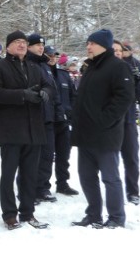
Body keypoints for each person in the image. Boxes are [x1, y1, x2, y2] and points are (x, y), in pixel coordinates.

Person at [0, 30, 50, 230]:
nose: (21, 45)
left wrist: (45, 93)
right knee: (8, 174)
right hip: (11, 130)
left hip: (34, 129)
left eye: (24, 42)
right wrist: (22, 95)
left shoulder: (35, 67)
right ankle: (10, 215)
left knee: (30, 174)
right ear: (8, 46)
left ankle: (28, 212)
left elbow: (49, 86)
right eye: (17, 42)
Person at [70, 29, 134, 229]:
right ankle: (93, 214)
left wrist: (104, 120)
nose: (88, 47)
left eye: (92, 43)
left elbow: (124, 98)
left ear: (104, 45)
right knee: (87, 178)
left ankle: (116, 217)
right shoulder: (90, 68)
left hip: (106, 134)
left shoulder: (118, 67)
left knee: (110, 178)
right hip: (85, 134)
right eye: (87, 43)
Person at [113, 41, 140, 206]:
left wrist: (139, 81)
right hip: (109, 122)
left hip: (128, 120)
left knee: (131, 158)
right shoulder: (101, 69)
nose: (118, 53)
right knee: (109, 160)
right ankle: (112, 191)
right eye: (114, 50)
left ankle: (132, 192)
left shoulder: (133, 65)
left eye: (120, 50)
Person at [26, 33, 61, 204]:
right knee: (32, 157)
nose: (41, 48)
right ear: (29, 46)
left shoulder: (45, 65)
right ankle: (29, 190)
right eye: (37, 45)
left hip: (48, 116)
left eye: (42, 45)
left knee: (48, 155)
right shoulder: (27, 63)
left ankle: (43, 187)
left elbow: (52, 90)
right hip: (32, 117)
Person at [46, 46, 79, 196]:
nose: (53, 58)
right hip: (48, 121)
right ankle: (43, 186)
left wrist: (71, 114)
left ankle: (63, 183)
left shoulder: (64, 75)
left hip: (64, 122)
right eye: (50, 55)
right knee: (46, 156)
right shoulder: (40, 73)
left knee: (64, 155)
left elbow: (73, 97)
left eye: (55, 55)